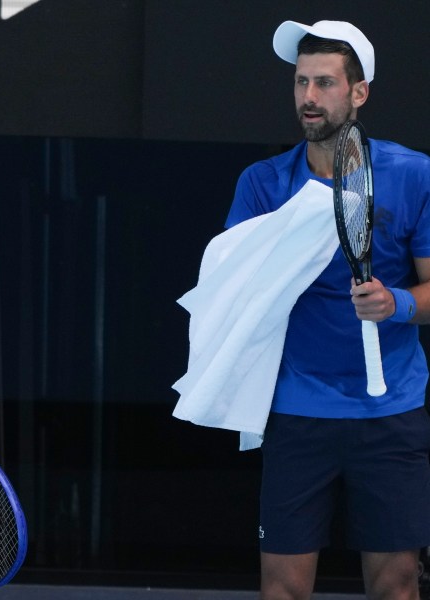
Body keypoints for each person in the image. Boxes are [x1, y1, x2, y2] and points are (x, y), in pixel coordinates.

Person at [225, 20, 430, 600]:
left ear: (358, 93)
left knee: (397, 585)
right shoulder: (263, 184)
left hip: (392, 413)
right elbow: (233, 293)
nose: (308, 97)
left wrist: (397, 304)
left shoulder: (414, 175)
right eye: (300, 83)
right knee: (282, 589)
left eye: (325, 83)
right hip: (296, 414)